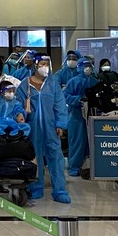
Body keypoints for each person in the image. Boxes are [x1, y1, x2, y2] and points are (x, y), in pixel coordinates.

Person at [17, 54, 71, 203]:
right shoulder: (25, 84)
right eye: (42, 64)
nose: (45, 67)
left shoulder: (52, 84)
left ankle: (59, 191)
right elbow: (18, 105)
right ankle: (36, 188)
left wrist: (60, 124)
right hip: (32, 128)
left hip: (51, 127)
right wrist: (21, 117)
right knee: (34, 158)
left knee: (56, 158)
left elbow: (60, 105)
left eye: (47, 64)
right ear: (35, 65)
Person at [64, 57, 98, 177]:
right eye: (85, 66)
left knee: (91, 142)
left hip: (91, 115)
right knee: (77, 142)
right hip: (76, 116)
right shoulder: (73, 82)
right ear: (79, 67)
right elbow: (66, 96)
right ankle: (74, 167)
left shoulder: (94, 81)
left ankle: (91, 167)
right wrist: (79, 99)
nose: (87, 68)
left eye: (89, 66)